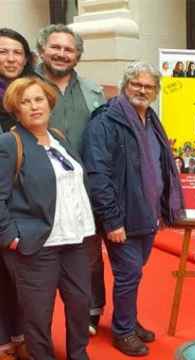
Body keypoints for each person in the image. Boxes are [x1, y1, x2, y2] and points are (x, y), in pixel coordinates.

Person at [81, 62, 184, 357]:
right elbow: (98, 175)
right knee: (128, 274)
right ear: (126, 85)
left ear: (156, 91)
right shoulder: (105, 122)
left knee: (134, 273)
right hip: (122, 218)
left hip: (147, 214)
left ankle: (127, 320)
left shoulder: (151, 118)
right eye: (136, 84)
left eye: (149, 86)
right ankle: (123, 332)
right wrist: (112, 221)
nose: (142, 90)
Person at [0, 76, 96, 360]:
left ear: (49, 103)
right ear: (16, 110)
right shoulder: (9, 143)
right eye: (25, 102)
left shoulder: (60, 138)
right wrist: (10, 237)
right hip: (36, 245)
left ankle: (79, 355)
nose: (33, 106)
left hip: (74, 241)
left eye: (38, 99)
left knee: (80, 305)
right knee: (37, 315)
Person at [35, 23, 107, 337]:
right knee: (40, 262)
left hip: (85, 190)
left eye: (69, 49)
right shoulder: (26, 87)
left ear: (77, 55)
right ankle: (34, 327)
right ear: (42, 50)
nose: (62, 54)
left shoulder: (93, 91)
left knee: (89, 257)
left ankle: (92, 312)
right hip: (38, 193)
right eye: (56, 47)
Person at [0, 28, 33, 360]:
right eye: (2, 52)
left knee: (19, 277)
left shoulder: (32, 93)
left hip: (22, 201)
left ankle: (22, 336)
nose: (10, 58)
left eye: (16, 52)